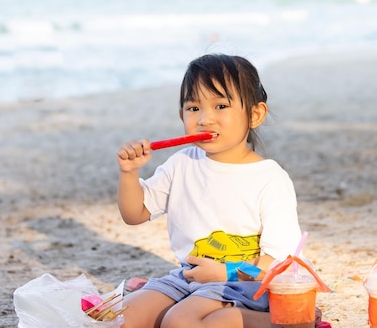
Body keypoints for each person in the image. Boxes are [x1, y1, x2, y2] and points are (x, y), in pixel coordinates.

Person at [116, 53, 303, 328]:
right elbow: (135, 214)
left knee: (178, 323)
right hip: (187, 278)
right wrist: (129, 173)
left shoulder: (269, 178)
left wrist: (225, 272)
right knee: (118, 318)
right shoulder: (182, 163)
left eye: (221, 106)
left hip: (246, 284)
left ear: (255, 114)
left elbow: (276, 265)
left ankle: (288, 322)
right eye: (193, 108)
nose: (205, 119)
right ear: (182, 115)